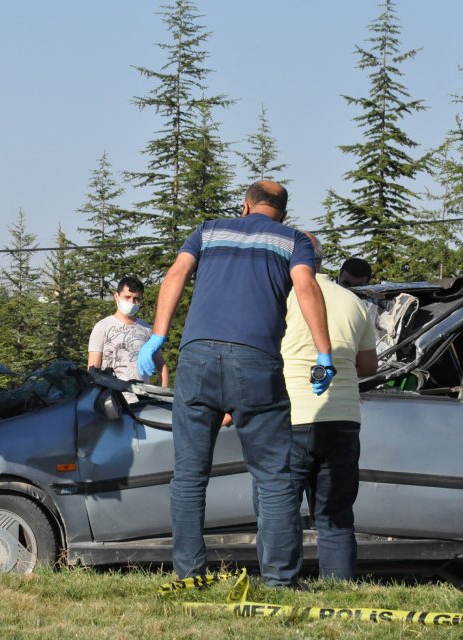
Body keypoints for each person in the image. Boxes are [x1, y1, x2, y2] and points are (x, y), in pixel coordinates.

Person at [138, 180, 333, 588]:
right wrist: (323, 353)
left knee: (190, 474)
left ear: (244, 206)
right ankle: (279, 580)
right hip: (256, 360)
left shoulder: (209, 229)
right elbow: (306, 286)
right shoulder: (293, 240)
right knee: (274, 476)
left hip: (197, 357)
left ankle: (190, 575)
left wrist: (158, 336)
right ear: (282, 210)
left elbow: (175, 274)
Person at [281, 233, 378, 580]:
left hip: (293, 416)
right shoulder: (353, 302)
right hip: (343, 418)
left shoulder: (284, 297)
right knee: (336, 516)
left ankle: (281, 584)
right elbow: (369, 366)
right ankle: (339, 589)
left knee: (281, 511)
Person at [88, 276, 169, 392]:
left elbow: (161, 366)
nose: (131, 302)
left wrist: (163, 396)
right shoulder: (102, 327)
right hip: (113, 402)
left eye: (136, 299)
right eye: (127, 297)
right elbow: (93, 370)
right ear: (116, 296)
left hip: (143, 402)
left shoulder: (148, 330)